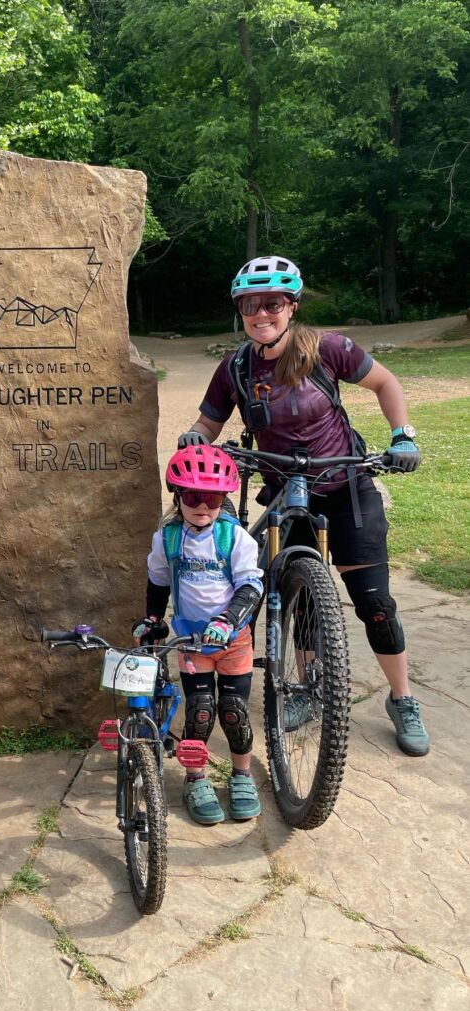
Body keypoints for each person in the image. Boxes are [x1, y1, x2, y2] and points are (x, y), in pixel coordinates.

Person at [180, 254, 428, 757]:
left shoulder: (328, 349)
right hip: (284, 492)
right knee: (296, 596)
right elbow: (208, 423)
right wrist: (195, 437)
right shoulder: (235, 369)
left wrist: (402, 436)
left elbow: (386, 383)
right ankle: (306, 687)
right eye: (250, 305)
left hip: (345, 488)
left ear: (291, 306)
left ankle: (402, 699)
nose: (260, 313)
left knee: (374, 603)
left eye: (272, 302)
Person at [135, 444, 264, 824]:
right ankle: (196, 777)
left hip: (233, 640)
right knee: (200, 712)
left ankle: (241, 775)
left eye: (212, 497)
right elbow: (158, 582)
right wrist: (154, 619)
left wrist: (228, 619)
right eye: (194, 496)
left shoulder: (234, 538)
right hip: (192, 643)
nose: (203, 506)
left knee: (234, 712)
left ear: (223, 498)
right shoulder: (168, 539)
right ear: (178, 495)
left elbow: (251, 586)